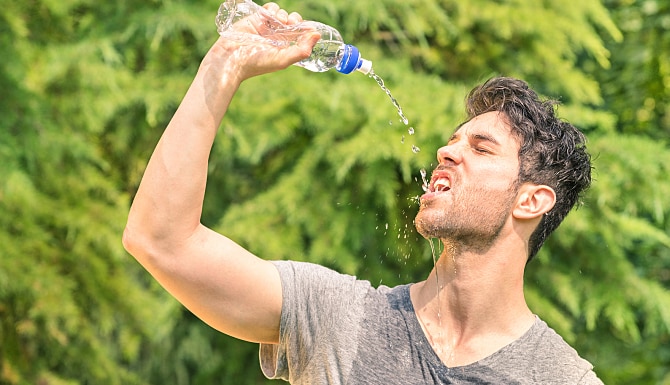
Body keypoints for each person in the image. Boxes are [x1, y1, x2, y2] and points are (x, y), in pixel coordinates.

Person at [123, 2, 603, 384]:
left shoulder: (562, 377)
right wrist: (223, 63)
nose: (446, 152)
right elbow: (161, 240)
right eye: (453, 140)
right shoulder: (338, 318)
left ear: (531, 200)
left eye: (481, 148)